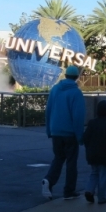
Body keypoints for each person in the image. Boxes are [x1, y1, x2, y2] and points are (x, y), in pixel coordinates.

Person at [42, 64, 86, 201]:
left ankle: (49, 180)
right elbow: (78, 116)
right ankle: (69, 191)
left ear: (65, 75)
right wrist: (80, 136)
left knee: (58, 158)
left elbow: (48, 110)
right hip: (70, 133)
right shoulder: (76, 93)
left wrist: (49, 130)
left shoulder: (55, 89)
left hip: (55, 131)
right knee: (71, 162)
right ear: (76, 77)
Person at [83, 99, 106, 205]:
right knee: (103, 175)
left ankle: (89, 190)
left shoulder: (91, 123)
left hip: (92, 153)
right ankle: (102, 197)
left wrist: (88, 149)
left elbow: (86, 138)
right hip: (104, 154)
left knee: (94, 173)